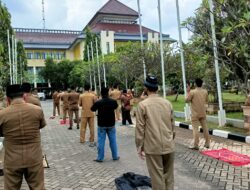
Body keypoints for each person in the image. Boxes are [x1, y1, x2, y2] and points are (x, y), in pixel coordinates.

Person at [0, 84, 46, 189]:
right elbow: (41, 125)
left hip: (12, 159)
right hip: (34, 157)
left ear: (7, 99)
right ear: (24, 96)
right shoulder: (37, 110)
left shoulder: (2, 114)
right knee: (38, 187)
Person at [135, 75, 175, 190]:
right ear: (157, 88)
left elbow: (140, 129)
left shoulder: (142, 105)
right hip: (169, 145)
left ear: (145, 89)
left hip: (153, 147)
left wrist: (140, 146)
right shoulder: (167, 103)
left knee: (157, 179)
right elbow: (172, 126)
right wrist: (171, 139)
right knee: (169, 177)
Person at [91, 87, 119, 162]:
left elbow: (92, 109)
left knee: (101, 141)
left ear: (101, 94)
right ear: (108, 93)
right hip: (111, 124)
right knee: (113, 140)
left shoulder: (98, 102)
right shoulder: (113, 101)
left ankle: (100, 158)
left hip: (101, 124)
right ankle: (115, 156)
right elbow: (116, 106)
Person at [185, 78, 210, 150]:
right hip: (203, 112)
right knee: (205, 128)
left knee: (195, 129)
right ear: (202, 84)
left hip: (195, 114)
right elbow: (206, 101)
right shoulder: (205, 92)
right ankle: (207, 143)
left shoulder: (192, 92)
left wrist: (188, 92)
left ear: (195, 84)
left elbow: (187, 100)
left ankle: (196, 145)